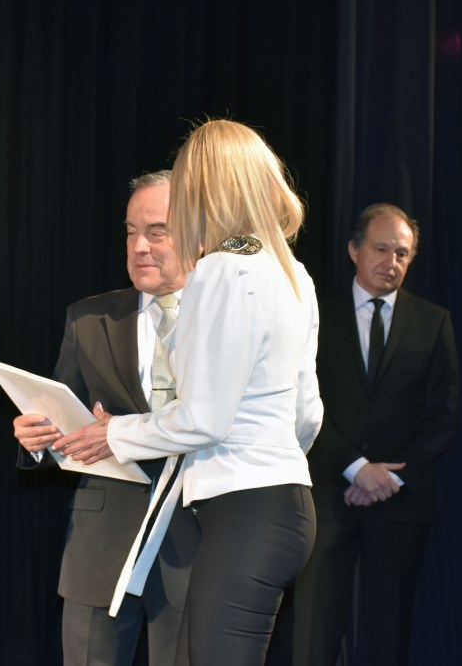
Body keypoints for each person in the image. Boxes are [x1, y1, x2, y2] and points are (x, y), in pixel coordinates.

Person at [55, 119, 323, 666]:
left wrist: (114, 432)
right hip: (286, 505)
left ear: (208, 186)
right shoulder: (291, 271)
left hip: (244, 510)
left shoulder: (221, 269)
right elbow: (306, 415)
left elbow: (203, 419)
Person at [12, 170, 199, 666]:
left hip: (197, 548)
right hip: (101, 550)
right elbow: (65, 418)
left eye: (157, 231)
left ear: (198, 235)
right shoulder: (90, 318)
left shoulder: (226, 318)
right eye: (131, 232)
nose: (139, 246)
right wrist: (38, 439)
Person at [275, 203, 460, 666]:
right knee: (314, 632)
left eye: (403, 253)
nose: (391, 261)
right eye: (381, 248)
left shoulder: (433, 322)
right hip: (327, 496)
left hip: (400, 502)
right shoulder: (316, 315)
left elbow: (444, 416)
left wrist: (389, 478)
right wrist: (356, 468)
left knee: (389, 635)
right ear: (354, 249)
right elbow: (300, 398)